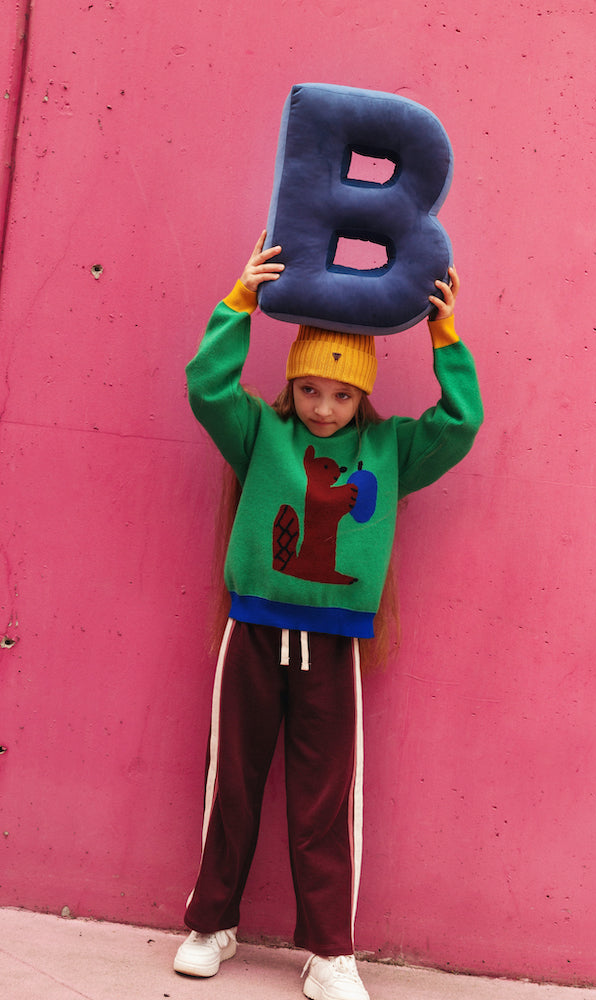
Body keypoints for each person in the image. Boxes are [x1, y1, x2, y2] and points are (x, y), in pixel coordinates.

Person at [173, 231, 483, 1000]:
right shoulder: (261, 434)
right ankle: (211, 923)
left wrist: (446, 336)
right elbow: (207, 387)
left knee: (326, 797)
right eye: (311, 390)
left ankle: (330, 951)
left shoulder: (390, 449)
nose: (323, 407)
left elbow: (462, 422)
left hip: (335, 646)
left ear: (364, 396)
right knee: (232, 784)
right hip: (253, 631)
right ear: (293, 386)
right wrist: (240, 300)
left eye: (341, 395)